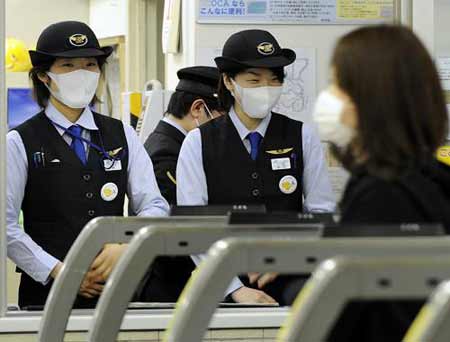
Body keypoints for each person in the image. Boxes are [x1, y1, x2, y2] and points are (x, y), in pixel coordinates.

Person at [6, 21, 169, 309]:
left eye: (90, 65)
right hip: (47, 296)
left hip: (116, 291)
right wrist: (59, 271)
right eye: (68, 66)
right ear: (44, 75)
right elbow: (6, 227)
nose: (81, 74)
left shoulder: (123, 134)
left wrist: (129, 242)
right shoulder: (20, 141)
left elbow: (155, 205)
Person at [176, 29, 335, 305]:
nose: (266, 88)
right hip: (221, 283)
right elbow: (195, 227)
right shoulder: (198, 142)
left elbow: (322, 213)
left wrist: (286, 257)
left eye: (275, 80)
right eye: (254, 80)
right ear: (228, 81)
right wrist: (234, 289)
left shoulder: (301, 135)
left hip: (293, 280)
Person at [312, 25, 450, 341]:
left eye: (337, 86)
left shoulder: (379, 193)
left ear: (371, 98)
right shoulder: (431, 179)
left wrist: (298, 289)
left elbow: (352, 314)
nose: (327, 99)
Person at [138, 66, 223, 302]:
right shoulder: (166, 153)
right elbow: (179, 219)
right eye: (222, 118)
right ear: (197, 109)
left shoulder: (171, 143)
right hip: (167, 283)